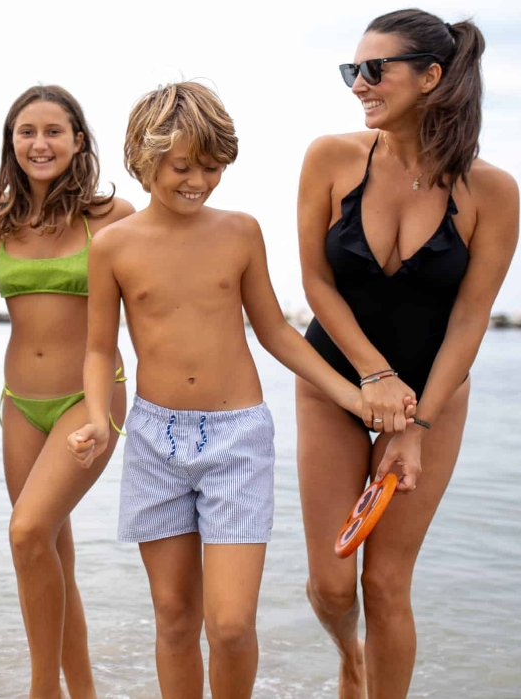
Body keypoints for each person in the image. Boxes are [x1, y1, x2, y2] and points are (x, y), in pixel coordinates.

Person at [69, 82, 373, 699]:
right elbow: (101, 348)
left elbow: (274, 332)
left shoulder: (240, 232)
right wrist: (100, 418)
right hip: (153, 438)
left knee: (230, 625)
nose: (199, 180)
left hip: (237, 438)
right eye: (183, 166)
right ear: (144, 157)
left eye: (213, 167)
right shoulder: (112, 246)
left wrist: (352, 393)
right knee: (176, 618)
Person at [297, 9, 519, 698]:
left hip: (434, 396)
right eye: (351, 71)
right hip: (335, 381)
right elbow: (315, 282)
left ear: (430, 77)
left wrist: (415, 427)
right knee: (333, 585)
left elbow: (470, 319)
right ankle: (349, 659)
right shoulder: (329, 158)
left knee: (387, 583)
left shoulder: (493, 191)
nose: (358, 85)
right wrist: (375, 375)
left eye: (373, 70)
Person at [0, 85, 134, 699]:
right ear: (11, 142)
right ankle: (83, 693)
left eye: (54, 130)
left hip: (91, 398)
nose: (40, 143)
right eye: (27, 131)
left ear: (79, 141)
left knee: (26, 534)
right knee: (47, 550)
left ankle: (41, 690)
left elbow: (157, 306)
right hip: (19, 403)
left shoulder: (115, 218)